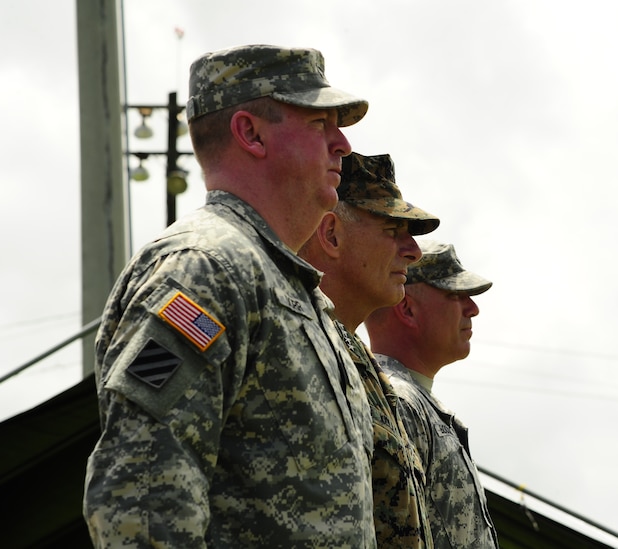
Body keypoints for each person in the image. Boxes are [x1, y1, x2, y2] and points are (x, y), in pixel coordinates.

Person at [84, 45, 377, 548]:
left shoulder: (291, 289)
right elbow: (141, 490)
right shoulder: (206, 271)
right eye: (318, 124)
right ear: (251, 133)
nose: (343, 144)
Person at [298, 152, 439, 548]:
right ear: (332, 235)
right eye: (394, 231)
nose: (413, 252)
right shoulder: (297, 339)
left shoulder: (357, 359)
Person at [365, 240, 500, 548]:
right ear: (408, 309)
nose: (473, 308)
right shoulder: (398, 402)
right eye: (455, 295)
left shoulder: (415, 403)